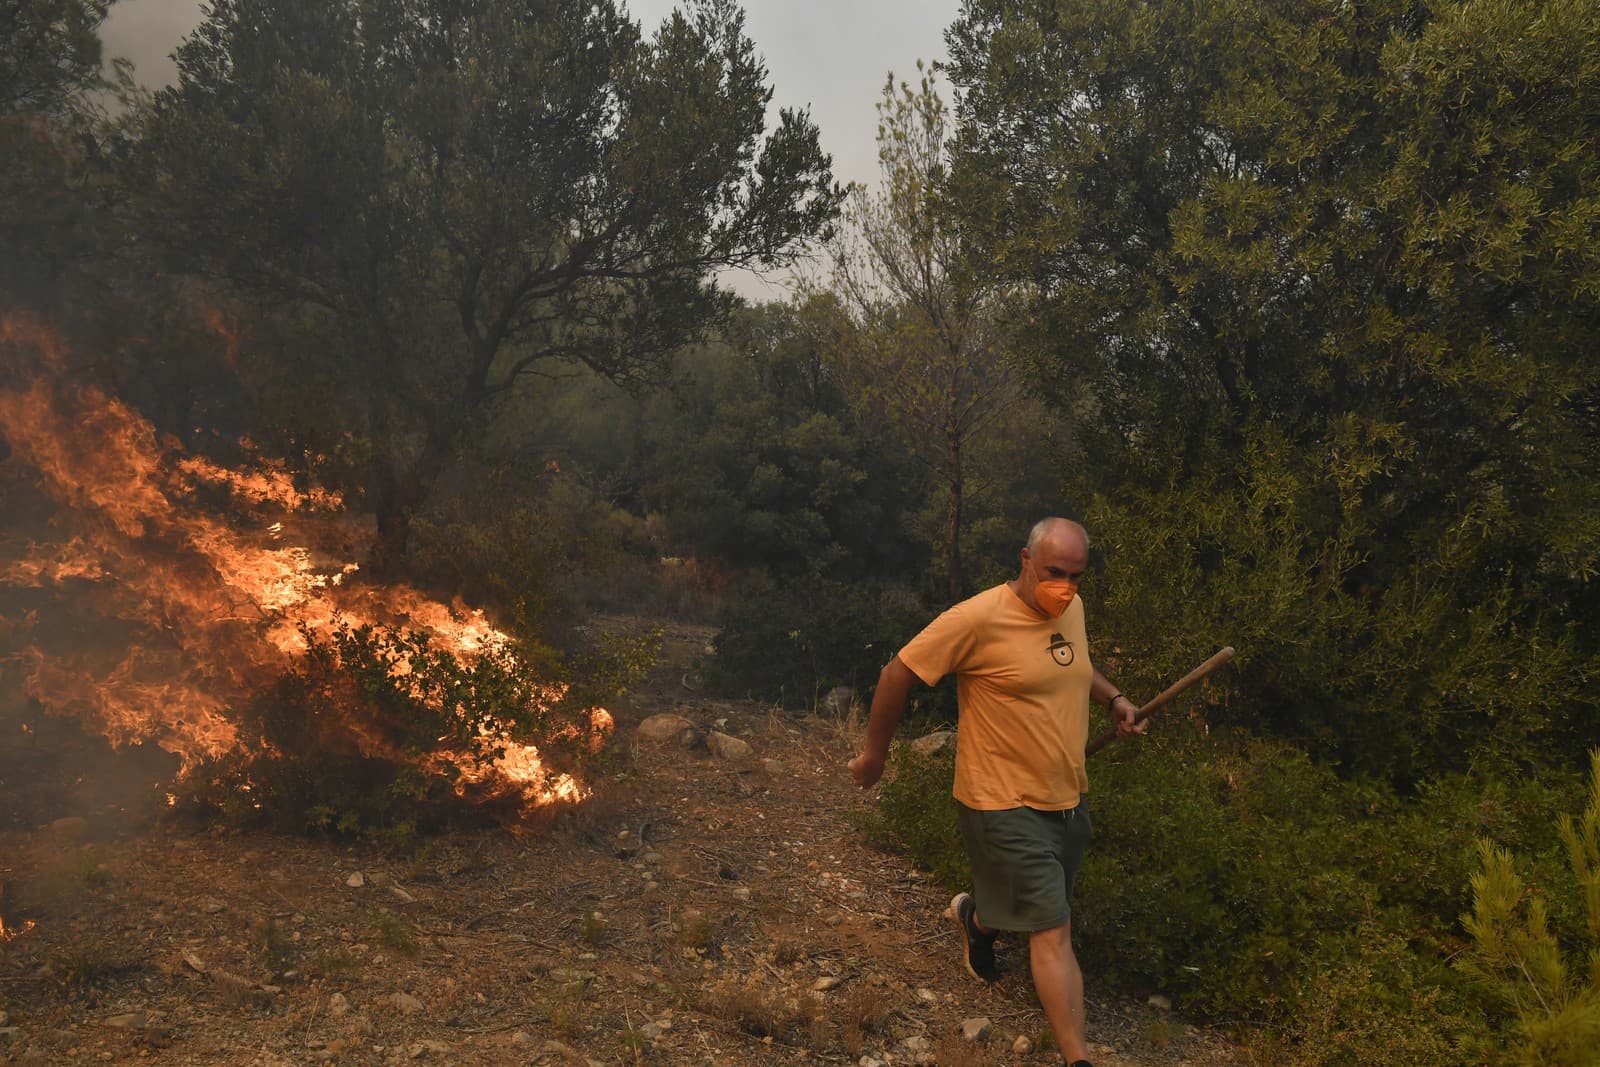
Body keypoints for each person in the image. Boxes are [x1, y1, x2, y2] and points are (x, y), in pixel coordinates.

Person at [848, 517, 1144, 1067]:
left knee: (1038, 905)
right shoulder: (977, 618)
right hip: (1000, 799)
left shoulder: (1069, 609)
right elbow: (897, 674)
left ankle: (976, 919)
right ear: (1026, 559)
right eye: (1056, 572)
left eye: (1077, 576)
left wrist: (1114, 699)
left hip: (1066, 792)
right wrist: (875, 755)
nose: (1067, 587)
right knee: (1053, 930)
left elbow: (1073, 665)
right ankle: (1078, 1057)